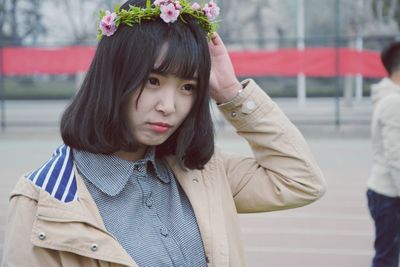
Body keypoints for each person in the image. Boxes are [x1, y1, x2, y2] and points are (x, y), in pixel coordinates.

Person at [1, 0, 326, 266]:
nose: (169, 106)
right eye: (153, 80)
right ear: (114, 76)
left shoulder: (203, 172)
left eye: (188, 87)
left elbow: (300, 180)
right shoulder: (43, 202)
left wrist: (230, 92)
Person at [367, 41, 400, 267]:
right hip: (389, 195)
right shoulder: (393, 102)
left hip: (389, 194)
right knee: (386, 259)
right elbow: (396, 157)